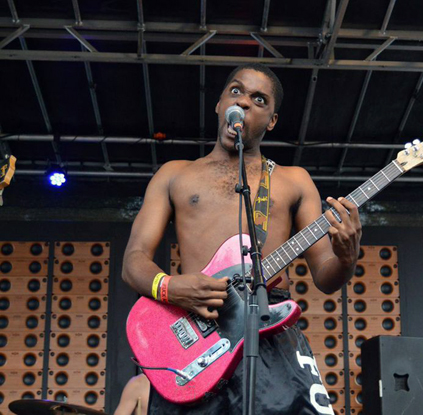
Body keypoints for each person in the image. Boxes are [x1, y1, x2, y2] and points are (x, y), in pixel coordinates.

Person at [122, 63, 362, 414]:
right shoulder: (175, 174)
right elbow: (134, 260)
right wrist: (170, 287)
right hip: (198, 332)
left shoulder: (293, 180)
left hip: (270, 326)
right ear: (220, 103)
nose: (245, 102)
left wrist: (346, 257)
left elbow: (326, 276)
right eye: (236, 91)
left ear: (272, 120)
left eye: (259, 99)